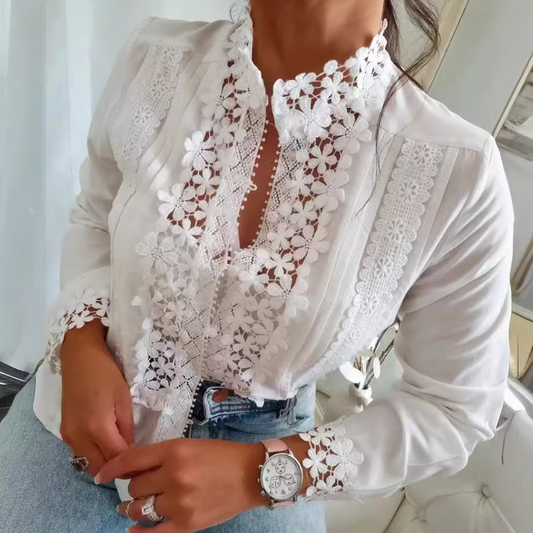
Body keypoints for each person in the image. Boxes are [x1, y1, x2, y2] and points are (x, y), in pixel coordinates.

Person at [0, 1, 514, 532]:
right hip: (82, 421)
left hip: (269, 476)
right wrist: (81, 342)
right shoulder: (156, 56)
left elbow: (452, 408)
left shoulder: (457, 172)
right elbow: (95, 215)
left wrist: (261, 474)